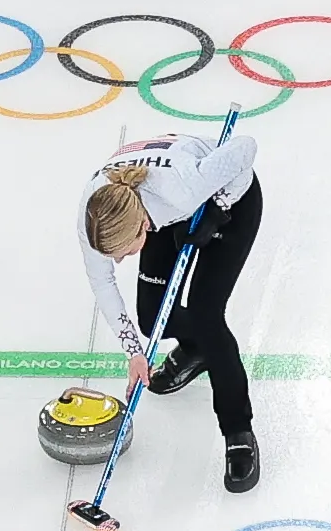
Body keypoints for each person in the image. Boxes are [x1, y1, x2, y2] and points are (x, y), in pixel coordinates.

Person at [81, 120, 263, 491]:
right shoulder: (95, 216)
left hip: (232, 198)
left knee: (205, 313)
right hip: (160, 206)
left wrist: (219, 206)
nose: (118, 262)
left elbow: (245, 148)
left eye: (123, 253)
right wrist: (133, 352)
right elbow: (102, 281)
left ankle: (238, 430)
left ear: (142, 230)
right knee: (152, 319)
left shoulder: (180, 190)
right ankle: (196, 350)